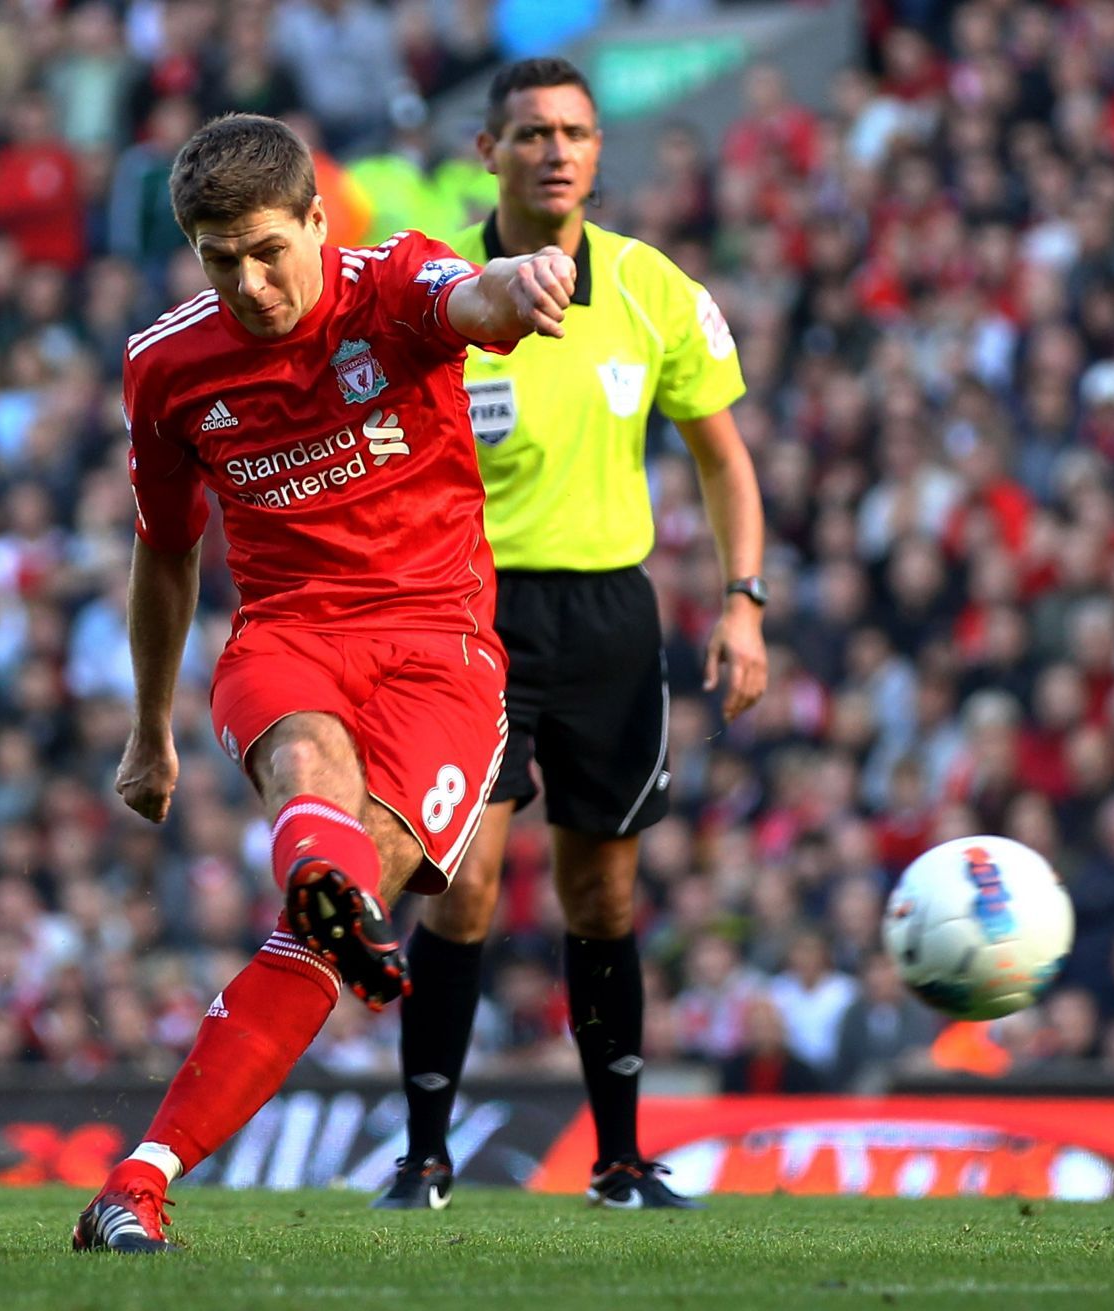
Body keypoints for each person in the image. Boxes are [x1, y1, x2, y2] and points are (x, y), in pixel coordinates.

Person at [71, 112, 577, 1253]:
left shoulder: (389, 285)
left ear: (315, 220)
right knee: (307, 765)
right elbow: (165, 549)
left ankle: (135, 1180)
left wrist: (528, 278)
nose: (249, 284)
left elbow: (476, 301)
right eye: (218, 259)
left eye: (267, 250)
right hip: (289, 634)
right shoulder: (166, 366)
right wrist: (150, 730)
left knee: (338, 898)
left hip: (440, 653)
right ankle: (324, 886)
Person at [376, 58, 767, 1212]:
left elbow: (723, 459)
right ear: (487, 152)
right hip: (471, 617)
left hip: (607, 617)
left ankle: (620, 1160)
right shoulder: (435, 284)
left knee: (602, 899)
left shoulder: (654, 290)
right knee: (468, 889)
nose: (557, 150)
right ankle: (426, 1156)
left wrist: (744, 599)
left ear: (599, 154)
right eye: (533, 132)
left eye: (577, 133)